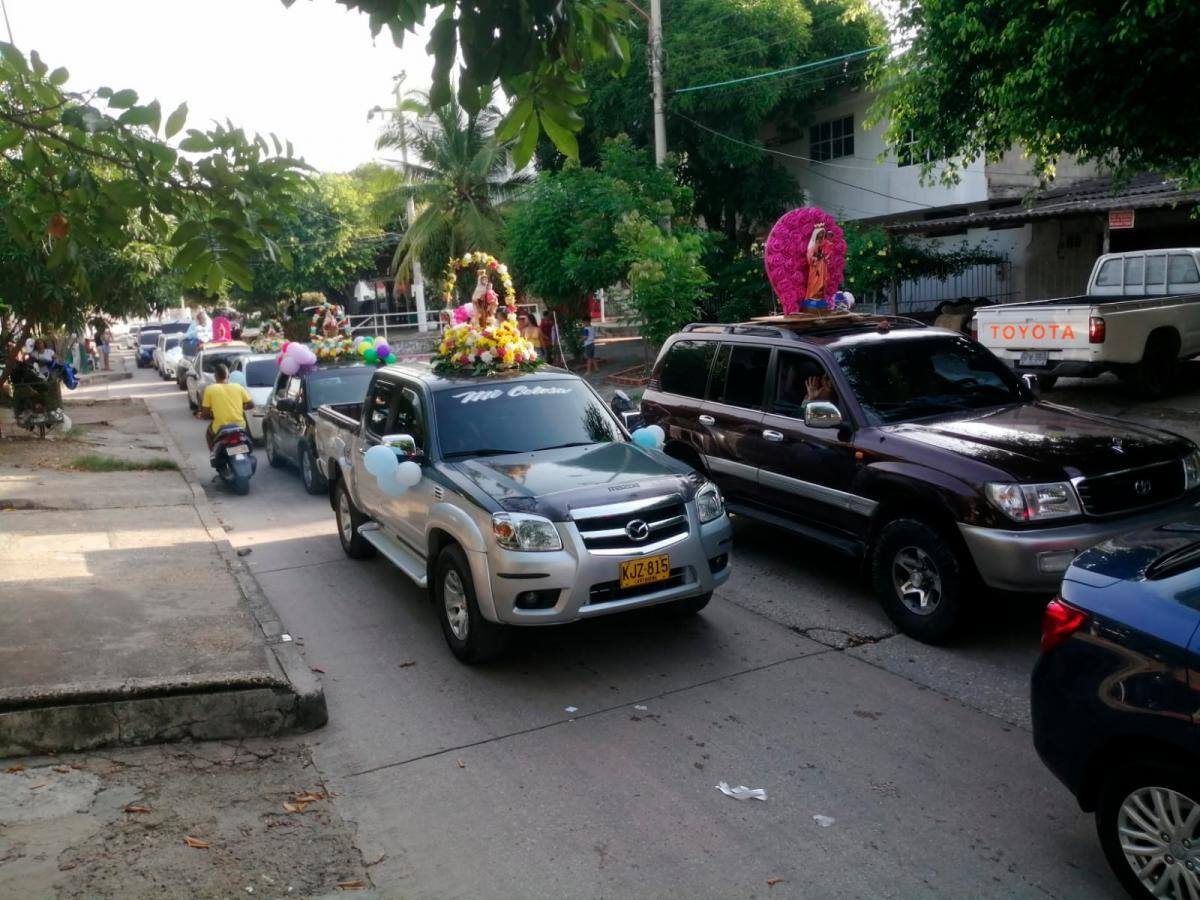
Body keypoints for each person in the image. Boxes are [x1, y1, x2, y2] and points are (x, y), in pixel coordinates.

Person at [196, 362, 254, 450]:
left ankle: (213, 454)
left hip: (220, 428)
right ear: (228, 376)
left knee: (209, 432)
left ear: (215, 377)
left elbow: (206, 414)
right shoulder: (238, 387)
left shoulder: (210, 389)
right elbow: (251, 404)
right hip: (240, 425)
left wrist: (202, 415)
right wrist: (240, 407)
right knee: (246, 438)